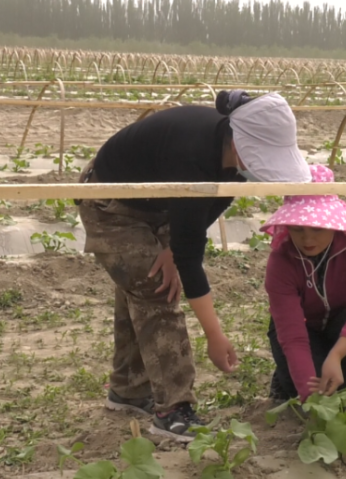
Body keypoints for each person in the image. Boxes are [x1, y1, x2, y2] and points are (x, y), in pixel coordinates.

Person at [78, 90, 311, 440]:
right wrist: (215, 337)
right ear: (240, 141)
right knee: (156, 286)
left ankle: (127, 390)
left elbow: (208, 211)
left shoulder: (230, 159)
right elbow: (190, 259)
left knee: (142, 283)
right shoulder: (193, 155)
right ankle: (173, 409)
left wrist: (171, 248)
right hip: (109, 202)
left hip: (157, 203)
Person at [262, 165, 346, 401]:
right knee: (305, 386)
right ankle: (285, 380)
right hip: (304, 326)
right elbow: (292, 334)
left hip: (343, 321)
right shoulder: (281, 258)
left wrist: (337, 355)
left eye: (317, 229)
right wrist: (312, 401)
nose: (307, 239)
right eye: (297, 229)